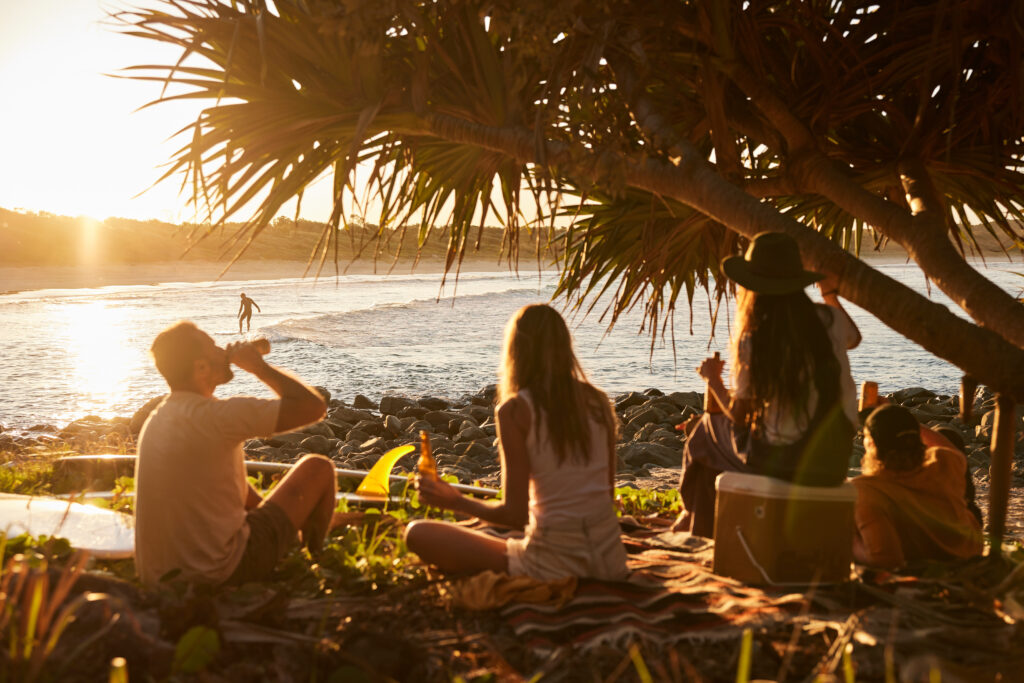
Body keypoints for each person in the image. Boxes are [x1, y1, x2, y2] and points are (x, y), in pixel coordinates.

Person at [404, 304, 628, 581]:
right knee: (498, 533)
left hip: (555, 563)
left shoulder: (515, 411)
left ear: (516, 352)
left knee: (418, 533)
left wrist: (457, 501)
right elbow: (606, 496)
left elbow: (515, 514)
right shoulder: (598, 400)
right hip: (610, 560)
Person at [673, 231, 861, 537]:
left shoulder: (756, 339)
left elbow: (740, 415)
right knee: (713, 433)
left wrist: (713, 379)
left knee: (705, 431)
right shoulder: (828, 320)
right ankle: (694, 519)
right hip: (833, 460)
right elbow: (854, 339)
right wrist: (829, 292)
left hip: (781, 465)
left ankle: (698, 525)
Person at [134, 321, 336, 586]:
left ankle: (289, 543)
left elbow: (235, 492)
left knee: (257, 506)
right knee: (317, 468)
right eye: (214, 347)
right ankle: (312, 559)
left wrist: (274, 516)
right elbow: (313, 407)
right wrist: (258, 368)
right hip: (222, 572)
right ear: (201, 367)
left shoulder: (159, 417)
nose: (222, 350)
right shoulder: (219, 417)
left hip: (158, 578)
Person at [852, 404, 983, 569]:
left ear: (871, 444)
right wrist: (902, 421)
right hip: (969, 553)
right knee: (949, 437)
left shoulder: (867, 490)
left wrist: (852, 544)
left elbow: (887, 561)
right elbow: (945, 446)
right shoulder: (944, 461)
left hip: (927, 567)